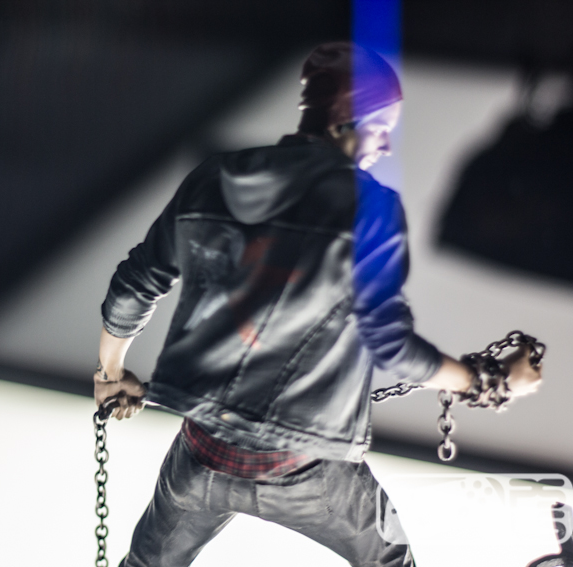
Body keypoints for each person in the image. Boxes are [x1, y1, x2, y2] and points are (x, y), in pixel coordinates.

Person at [94, 42, 542, 567]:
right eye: (383, 127)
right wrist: (489, 381)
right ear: (347, 117)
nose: (387, 145)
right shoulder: (371, 208)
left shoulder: (215, 177)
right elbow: (391, 346)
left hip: (200, 461)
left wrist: (111, 373)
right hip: (307, 477)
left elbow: (134, 285)